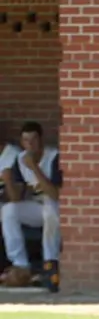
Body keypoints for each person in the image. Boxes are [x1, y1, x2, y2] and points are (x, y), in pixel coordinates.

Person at [0, 122, 62, 291]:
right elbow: (16, 198)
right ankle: (20, 263)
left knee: (50, 207)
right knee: (9, 210)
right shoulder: (20, 160)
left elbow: (55, 195)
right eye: (26, 140)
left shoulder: (54, 157)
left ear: (41, 140)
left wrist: (34, 167)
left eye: (34, 139)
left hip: (59, 209)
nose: (30, 144)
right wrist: (9, 181)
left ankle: (50, 262)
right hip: (37, 209)